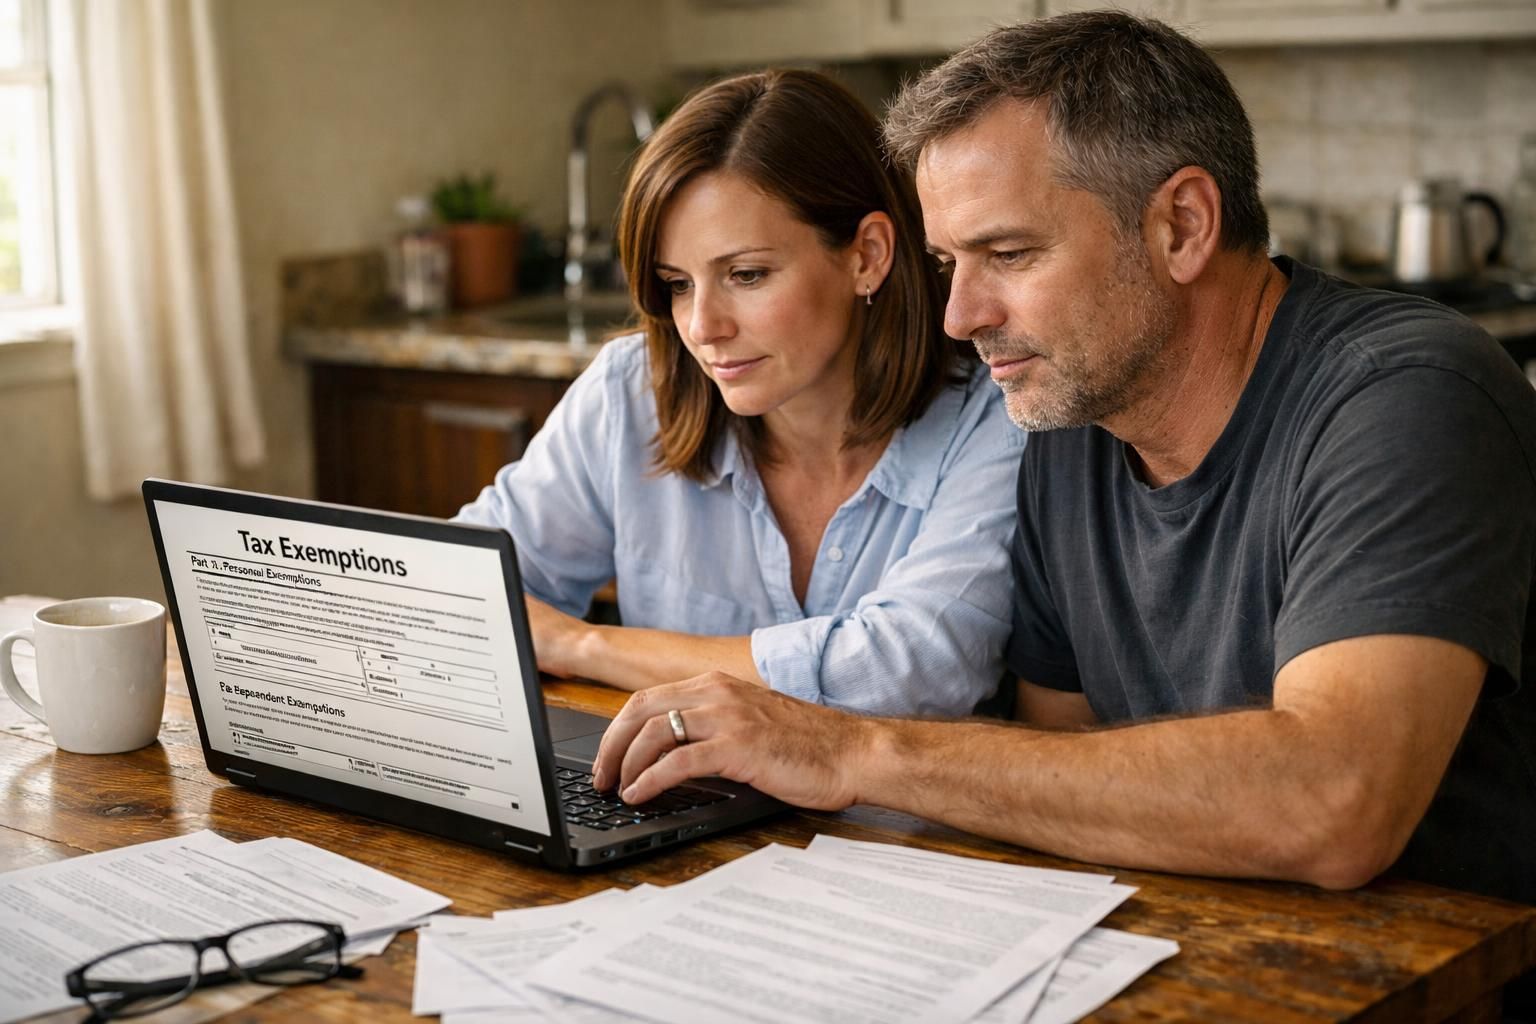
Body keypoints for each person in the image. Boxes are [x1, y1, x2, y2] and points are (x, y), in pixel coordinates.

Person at [592, 12, 1536, 921]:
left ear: (1181, 226)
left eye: (1008, 253)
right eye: (947, 261)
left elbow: (1335, 802)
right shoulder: (1064, 431)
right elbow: (1059, 771)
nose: (960, 316)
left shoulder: (1406, 394)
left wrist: (851, 750)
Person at [456, 69, 1024, 717]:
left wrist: (583, 644)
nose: (703, 328)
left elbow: (905, 669)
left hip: (892, 823)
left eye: (746, 274)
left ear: (867, 255)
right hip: (670, 804)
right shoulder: (631, 390)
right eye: (677, 283)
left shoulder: (997, 416)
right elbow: (461, 590)